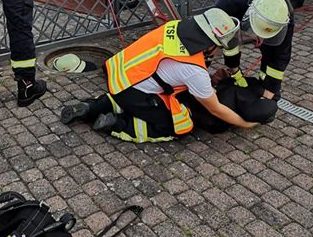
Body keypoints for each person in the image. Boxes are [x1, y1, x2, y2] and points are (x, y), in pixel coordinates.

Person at [60, 8, 259, 143]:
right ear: (209, 43)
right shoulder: (194, 70)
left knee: (131, 94)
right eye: (219, 47)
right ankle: (118, 125)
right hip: (133, 91)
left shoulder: (175, 27)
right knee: (178, 125)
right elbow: (216, 109)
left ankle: (91, 107)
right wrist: (245, 123)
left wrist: (212, 78)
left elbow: (170, 69)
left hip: (120, 76)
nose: (217, 52)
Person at [214, 0, 293, 101]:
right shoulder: (231, 4)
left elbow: (281, 56)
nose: (260, 39)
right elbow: (228, 40)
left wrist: (270, 92)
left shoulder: (285, 15)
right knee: (224, 35)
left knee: (272, 50)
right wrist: (235, 72)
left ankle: (265, 84)